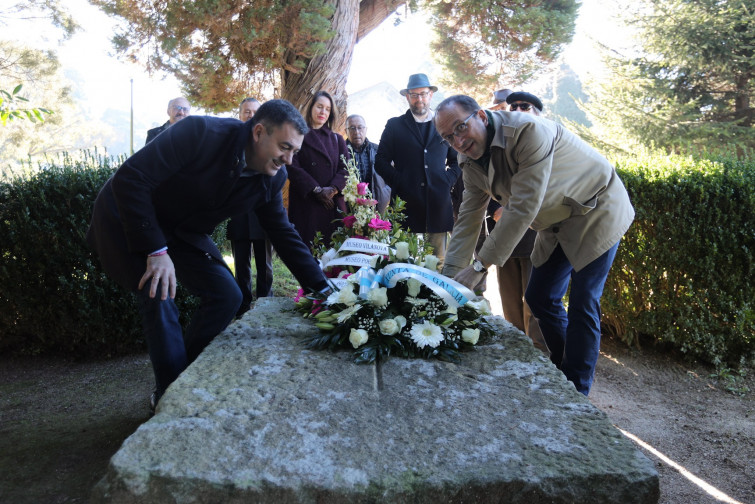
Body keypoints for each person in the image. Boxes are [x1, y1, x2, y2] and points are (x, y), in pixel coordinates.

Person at [87, 99, 329, 411]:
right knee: (158, 292)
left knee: (227, 295)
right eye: (285, 147)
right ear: (258, 132)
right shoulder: (199, 132)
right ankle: (170, 399)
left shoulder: (273, 178)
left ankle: (184, 375)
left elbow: (283, 235)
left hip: (182, 232)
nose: (289, 159)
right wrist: (155, 250)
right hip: (128, 219)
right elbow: (130, 179)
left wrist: (322, 291)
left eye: (295, 150)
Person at [434, 94, 634, 396]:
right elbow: (469, 217)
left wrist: (479, 266)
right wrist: (448, 281)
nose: (458, 141)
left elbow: (523, 206)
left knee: (584, 301)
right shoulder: (470, 160)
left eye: (460, 128)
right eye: (448, 137)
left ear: (482, 117)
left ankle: (577, 391)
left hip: (597, 208)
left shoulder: (529, 131)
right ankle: (564, 368)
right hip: (555, 221)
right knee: (540, 297)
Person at [375, 73, 461, 268]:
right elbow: (380, 161)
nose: (419, 99)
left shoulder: (444, 125)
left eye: (423, 94)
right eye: (414, 95)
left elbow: (458, 162)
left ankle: (436, 299)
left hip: (438, 206)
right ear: (407, 97)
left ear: (430, 95)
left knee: (438, 263)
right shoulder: (394, 125)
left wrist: (446, 180)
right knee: (403, 262)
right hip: (405, 206)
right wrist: (400, 181)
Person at [489, 90, 546, 351]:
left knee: (535, 303)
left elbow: (543, 187)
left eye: (526, 106)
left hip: (536, 237)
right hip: (503, 237)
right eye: (513, 107)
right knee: (510, 302)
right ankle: (516, 351)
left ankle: (540, 356)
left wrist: (509, 208)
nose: (518, 110)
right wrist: (494, 211)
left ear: (537, 113)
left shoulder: (546, 141)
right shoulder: (496, 144)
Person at [227, 97, 275, 317]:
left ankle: (265, 303)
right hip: (238, 214)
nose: (250, 115)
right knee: (241, 264)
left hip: (261, 214)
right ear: (240, 115)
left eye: (254, 112)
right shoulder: (232, 141)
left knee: (264, 266)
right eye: (246, 112)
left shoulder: (270, 142)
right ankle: (243, 305)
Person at [286, 90, 349, 250]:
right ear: (311, 108)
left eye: (327, 109)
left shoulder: (337, 139)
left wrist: (332, 190)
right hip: (307, 204)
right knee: (308, 255)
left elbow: (346, 169)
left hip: (332, 205)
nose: (323, 112)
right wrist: (316, 190)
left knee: (333, 256)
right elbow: (292, 166)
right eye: (319, 107)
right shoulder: (297, 135)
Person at [344, 114, 390, 213]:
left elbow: (390, 176)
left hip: (375, 207)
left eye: (360, 128)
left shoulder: (378, 150)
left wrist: (386, 193)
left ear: (366, 129)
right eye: (352, 128)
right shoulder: (339, 152)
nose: (357, 132)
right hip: (349, 207)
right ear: (346, 131)